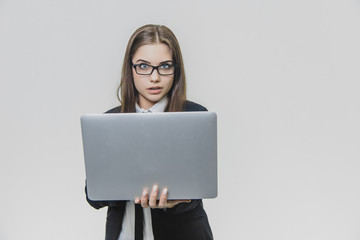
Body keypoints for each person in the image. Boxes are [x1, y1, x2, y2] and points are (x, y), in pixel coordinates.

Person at [85, 24, 213, 240]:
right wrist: (127, 188)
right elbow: (93, 196)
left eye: (164, 66)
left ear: (176, 69)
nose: (155, 77)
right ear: (131, 68)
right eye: (144, 66)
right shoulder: (109, 122)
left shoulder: (194, 116)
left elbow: (200, 188)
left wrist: (173, 202)